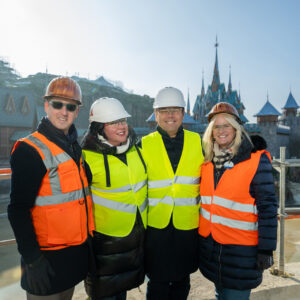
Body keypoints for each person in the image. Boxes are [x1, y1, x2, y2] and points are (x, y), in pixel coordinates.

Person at [7, 76, 95, 299]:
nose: (64, 111)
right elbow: (18, 210)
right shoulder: (30, 150)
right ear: (46, 105)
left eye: (71, 106)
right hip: (44, 264)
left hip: (71, 262)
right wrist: (33, 260)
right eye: (57, 104)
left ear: (77, 112)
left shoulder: (74, 148)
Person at [198, 102, 278, 300]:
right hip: (213, 251)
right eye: (217, 126)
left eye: (227, 125)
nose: (222, 130)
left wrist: (266, 248)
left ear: (237, 128)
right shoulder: (207, 163)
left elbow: (267, 207)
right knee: (220, 294)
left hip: (242, 253)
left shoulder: (256, 160)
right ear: (211, 131)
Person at [141, 87, 204, 300]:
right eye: (164, 110)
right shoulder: (143, 144)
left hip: (187, 225)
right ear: (156, 114)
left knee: (181, 281)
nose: (170, 116)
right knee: (157, 283)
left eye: (175, 110)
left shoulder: (199, 142)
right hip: (156, 227)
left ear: (183, 113)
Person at [81, 97, 147, 300]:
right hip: (104, 247)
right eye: (113, 122)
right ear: (99, 128)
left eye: (123, 121)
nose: (122, 126)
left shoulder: (137, 150)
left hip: (134, 244)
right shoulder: (85, 158)